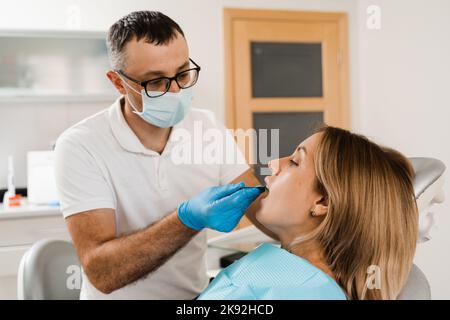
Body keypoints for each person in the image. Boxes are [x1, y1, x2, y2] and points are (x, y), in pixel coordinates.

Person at [54, 11, 275, 299]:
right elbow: (102, 272)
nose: (175, 91)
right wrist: (185, 220)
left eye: (183, 73)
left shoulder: (206, 126)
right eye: (156, 82)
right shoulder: (80, 146)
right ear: (118, 82)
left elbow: (260, 207)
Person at [199, 126, 418, 300]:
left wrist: (184, 222)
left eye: (294, 162)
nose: (273, 163)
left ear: (322, 202)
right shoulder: (306, 281)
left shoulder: (290, 291)